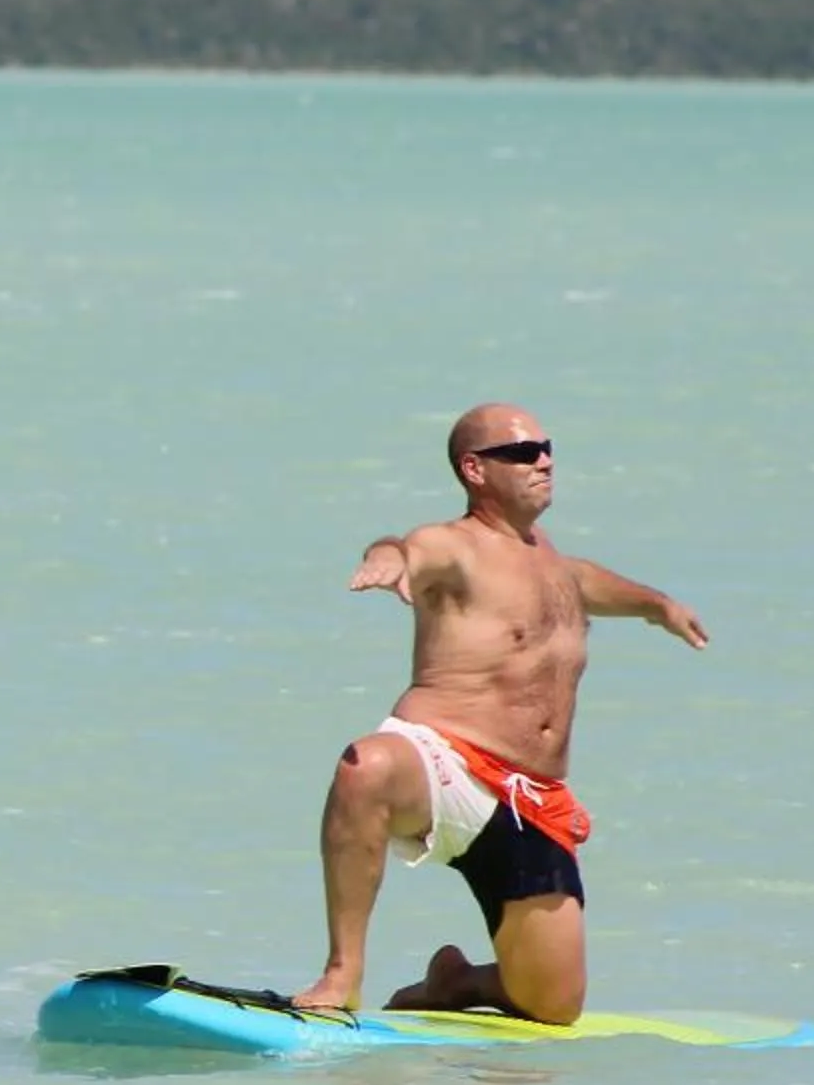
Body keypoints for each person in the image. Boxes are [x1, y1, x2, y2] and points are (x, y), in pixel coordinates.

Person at [292, 403, 706, 1025]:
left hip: (529, 799)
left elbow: (594, 583)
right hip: (447, 766)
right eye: (521, 452)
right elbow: (408, 549)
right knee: (365, 768)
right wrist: (388, 560)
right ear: (474, 469)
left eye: (547, 448)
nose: (543, 461)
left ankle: (456, 982)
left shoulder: (555, 566)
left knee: (553, 1006)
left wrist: (657, 605)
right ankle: (342, 973)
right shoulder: (454, 548)